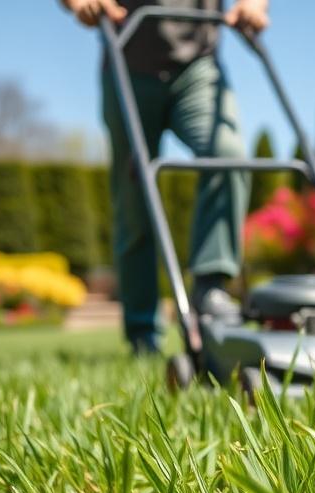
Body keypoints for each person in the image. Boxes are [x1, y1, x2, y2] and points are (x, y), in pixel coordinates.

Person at [63, 0, 270, 354]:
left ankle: (210, 291)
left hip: (198, 64)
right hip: (127, 58)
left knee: (227, 155)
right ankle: (143, 333)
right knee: (134, 194)